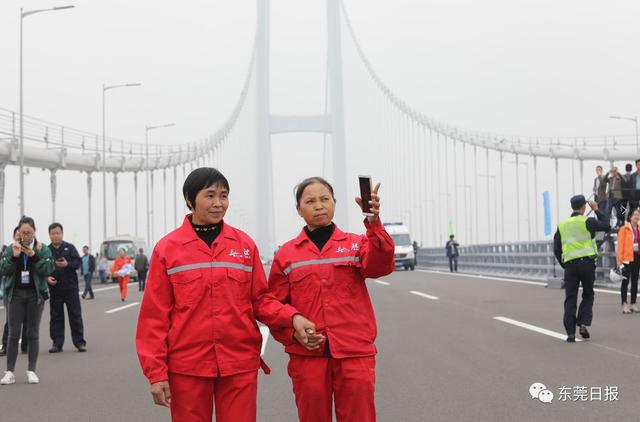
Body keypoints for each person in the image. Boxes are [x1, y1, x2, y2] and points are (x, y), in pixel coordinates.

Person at [136, 167, 317, 422]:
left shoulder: (244, 245)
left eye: (224, 196)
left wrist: (292, 318)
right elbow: (154, 317)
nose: (218, 203)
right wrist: (156, 374)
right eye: (209, 195)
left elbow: (261, 300)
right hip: (188, 366)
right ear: (189, 199)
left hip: (239, 362)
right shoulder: (167, 250)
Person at [268, 176, 395, 422]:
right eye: (310, 201)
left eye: (325, 199)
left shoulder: (355, 244)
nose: (319, 205)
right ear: (298, 210)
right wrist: (293, 331)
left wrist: (374, 223)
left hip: (354, 352)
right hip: (308, 354)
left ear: (335, 204)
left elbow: (379, 266)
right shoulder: (286, 254)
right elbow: (271, 304)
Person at [0, 216, 54, 385]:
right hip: (15, 295)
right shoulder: (11, 248)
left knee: (33, 333)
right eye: (23, 233)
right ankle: (10, 372)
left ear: (34, 231)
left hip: (35, 295)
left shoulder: (42, 248)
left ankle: (31, 370)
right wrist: (15, 257)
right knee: (13, 334)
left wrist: (34, 256)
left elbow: (49, 268)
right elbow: (3, 269)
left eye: (29, 232)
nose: (26, 236)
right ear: (18, 233)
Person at [553, 195, 610, 342]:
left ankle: (570, 333)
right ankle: (583, 324)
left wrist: (564, 264)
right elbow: (606, 225)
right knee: (588, 294)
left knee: (570, 297)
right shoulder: (587, 221)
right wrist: (596, 210)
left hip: (570, 266)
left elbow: (556, 249)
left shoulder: (562, 225)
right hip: (587, 265)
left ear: (572, 207)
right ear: (584, 207)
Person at [47, 223, 87, 353]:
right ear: (50, 235)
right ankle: (57, 344)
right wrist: (47, 277)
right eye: (53, 233)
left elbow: (78, 263)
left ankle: (79, 342)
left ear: (62, 234)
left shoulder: (69, 248)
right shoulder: (47, 251)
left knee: (75, 315)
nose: (56, 235)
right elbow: (42, 267)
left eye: (58, 233)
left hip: (70, 288)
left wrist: (67, 264)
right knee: (56, 317)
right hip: (55, 289)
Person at [1, 227, 29, 357]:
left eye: (22, 234)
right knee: (10, 320)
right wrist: (14, 256)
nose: (20, 237)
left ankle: (26, 346)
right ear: (14, 236)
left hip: (27, 290)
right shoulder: (9, 250)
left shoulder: (29, 250)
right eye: (17, 235)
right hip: (11, 290)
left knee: (27, 320)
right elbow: (3, 268)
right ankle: (5, 346)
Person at [616, 208, 640, 314]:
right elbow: (620, 246)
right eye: (635, 215)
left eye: (638, 215)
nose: (637, 216)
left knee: (635, 280)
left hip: (637, 256)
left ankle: (633, 303)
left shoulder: (639, 229)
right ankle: (624, 304)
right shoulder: (624, 229)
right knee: (625, 281)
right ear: (630, 217)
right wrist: (619, 261)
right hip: (626, 258)